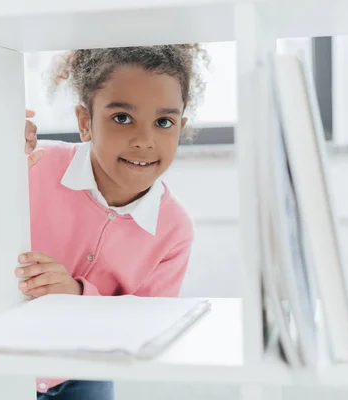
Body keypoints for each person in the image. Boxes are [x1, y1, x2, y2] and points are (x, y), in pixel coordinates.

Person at [14, 45, 208, 400]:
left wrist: (77, 296)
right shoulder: (33, 165)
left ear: (180, 127)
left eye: (163, 122)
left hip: (84, 375)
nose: (144, 141)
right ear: (85, 122)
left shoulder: (174, 230)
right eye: (122, 117)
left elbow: (146, 329)